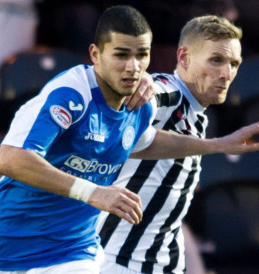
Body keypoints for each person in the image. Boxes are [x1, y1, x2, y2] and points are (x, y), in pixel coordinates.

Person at [0, 6, 259, 274]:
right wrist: (94, 192)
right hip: (7, 237)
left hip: (74, 246)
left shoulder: (138, 107)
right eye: (122, 55)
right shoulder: (75, 95)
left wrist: (217, 145)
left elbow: (146, 141)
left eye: (142, 56)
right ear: (95, 55)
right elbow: (8, 159)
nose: (133, 67)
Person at [96, 15, 245, 274]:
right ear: (184, 58)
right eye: (216, 60)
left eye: (234, 63)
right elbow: (147, 99)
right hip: (119, 264)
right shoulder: (168, 93)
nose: (227, 73)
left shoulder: (197, 113)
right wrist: (142, 83)